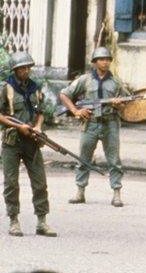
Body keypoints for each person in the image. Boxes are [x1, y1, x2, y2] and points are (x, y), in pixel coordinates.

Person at [59, 47, 129, 207]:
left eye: (108, 59)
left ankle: (116, 193)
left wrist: (119, 105)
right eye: (102, 59)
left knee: (114, 160)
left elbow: (125, 104)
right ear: (95, 62)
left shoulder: (116, 82)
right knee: (83, 159)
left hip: (110, 124)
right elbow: (64, 94)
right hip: (90, 124)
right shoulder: (85, 80)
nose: (105, 62)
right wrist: (76, 111)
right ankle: (80, 191)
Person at [0, 51, 55, 237]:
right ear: (14, 70)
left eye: (28, 67)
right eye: (22, 68)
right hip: (12, 141)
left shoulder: (35, 88)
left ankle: (42, 221)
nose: (26, 71)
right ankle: (14, 220)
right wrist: (18, 126)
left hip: (32, 140)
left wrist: (38, 127)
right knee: (11, 183)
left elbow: (41, 111)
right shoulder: (5, 88)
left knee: (40, 182)